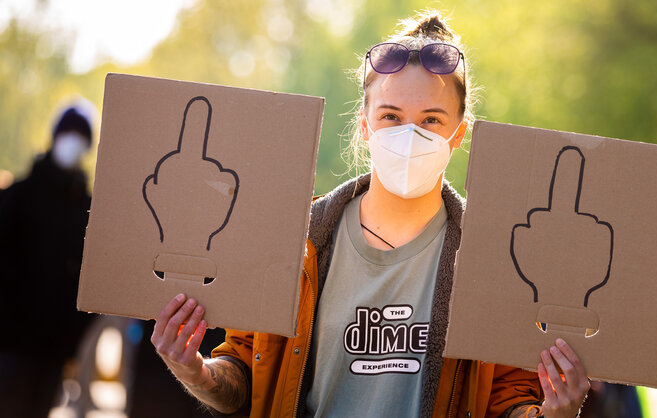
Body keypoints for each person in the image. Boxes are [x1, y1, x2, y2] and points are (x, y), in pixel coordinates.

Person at [150, 11, 590, 418]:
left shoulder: (495, 260)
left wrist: (554, 413)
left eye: (432, 120)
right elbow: (244, 375)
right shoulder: (295, 243)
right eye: (391, 115)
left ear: (460, 132)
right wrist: (196, 372)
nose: (409, 135)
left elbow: (507, 399)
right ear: (364, 123)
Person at [0, 100, 96, 417]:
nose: (73, 141)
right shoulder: (18, 197)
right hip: (11, 344)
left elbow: (93, 277)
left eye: (81, 135)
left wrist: (73, 332)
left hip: (55, 348)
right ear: (55, 135)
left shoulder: (89, 208)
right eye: (68, 132)